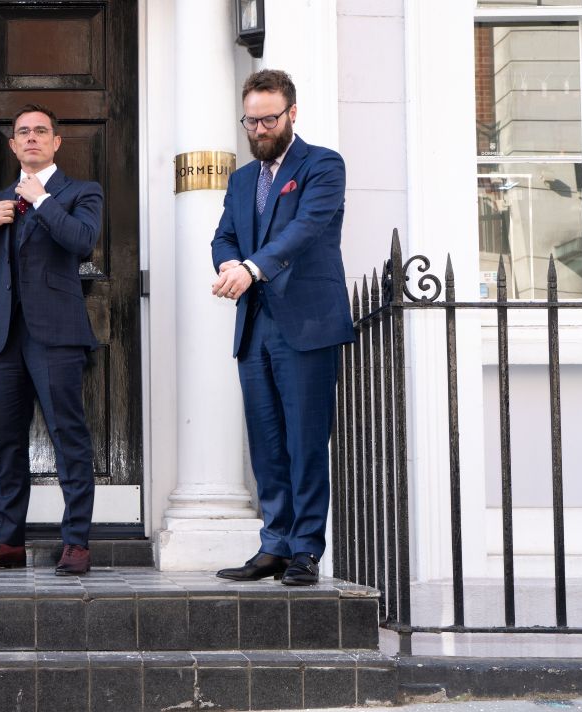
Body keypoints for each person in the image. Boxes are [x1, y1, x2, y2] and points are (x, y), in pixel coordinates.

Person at [210, 69, 354, 586]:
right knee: (267, 443)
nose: (258, 129)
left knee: (305, 441)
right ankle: (274, 543)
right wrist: (229, 264)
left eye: (268, 119)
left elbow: (304, 229)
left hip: (308, 326)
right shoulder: (242, 179)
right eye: (250, 120)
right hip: (255, 328)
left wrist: (252, 268)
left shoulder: (322, 166)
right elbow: (224, 236)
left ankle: (306, 551)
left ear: (292, 113)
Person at [0, 104, 103, 576]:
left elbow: (82, 242)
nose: (32, 138)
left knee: (68, 438)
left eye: (41, 131)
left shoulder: (82, 192)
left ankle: (76, 541)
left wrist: (41, 200)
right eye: (23, 132)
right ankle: (8, 540)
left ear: (56, 142)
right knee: (10, 444)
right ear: (13, 144)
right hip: (5, 339)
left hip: (56, 336)